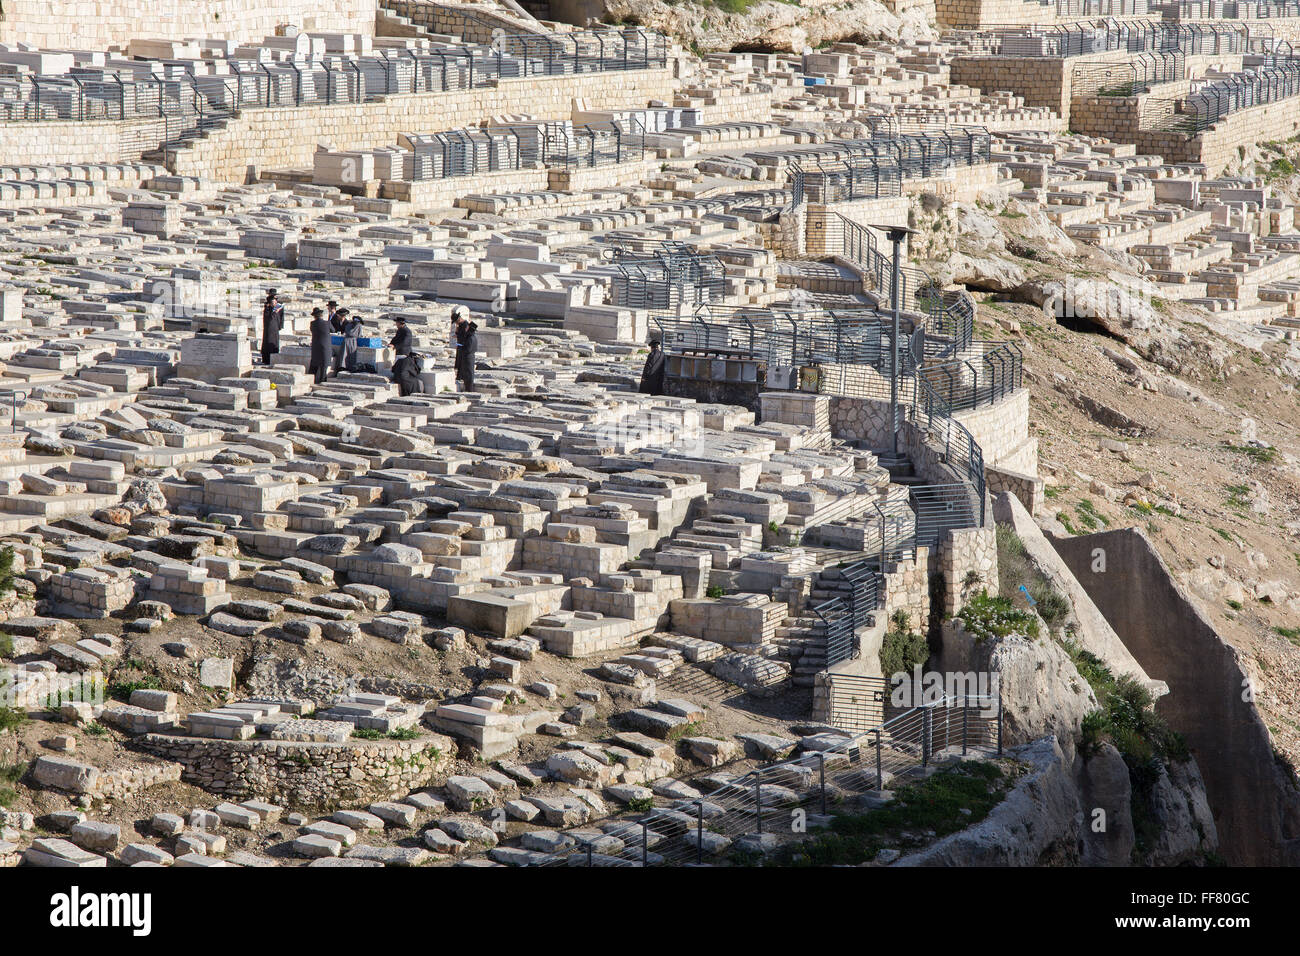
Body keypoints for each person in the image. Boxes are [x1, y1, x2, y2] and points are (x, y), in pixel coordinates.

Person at [307, 306, 333, 385]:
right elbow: (333, 330)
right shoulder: (327, 323)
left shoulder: (312, 323)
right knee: (323, 367)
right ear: (321, 315)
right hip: (325, 347)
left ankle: (310, 381)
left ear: (314, 316)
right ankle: (322, 381)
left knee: (314, 365)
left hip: (316, 346)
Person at [334, 309, 363, 375]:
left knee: (344, 354)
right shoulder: (359, 326)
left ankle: (342, 367)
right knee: (351, 355)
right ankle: (350, 367)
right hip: (353, 341)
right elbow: (359, 335)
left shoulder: (348, 324)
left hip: (346, 340)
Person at [454, 314, 477, 393]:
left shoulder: (470, 338)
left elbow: (468, 348)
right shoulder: (470, 337)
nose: (466, 328)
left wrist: (461, 347)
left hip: (468, 358)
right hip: (467, 357)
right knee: (466, 374)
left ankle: (469, 391)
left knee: (469, 375)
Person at [260, 289, 283, 366]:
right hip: (269, 328)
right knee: (268, 342)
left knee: (275, 342)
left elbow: (281, 316)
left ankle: (274, 357)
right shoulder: (267, 306)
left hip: (275, 326)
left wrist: (280, 326)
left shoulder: (279, 305)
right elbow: (267, 317)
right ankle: (267, 359)